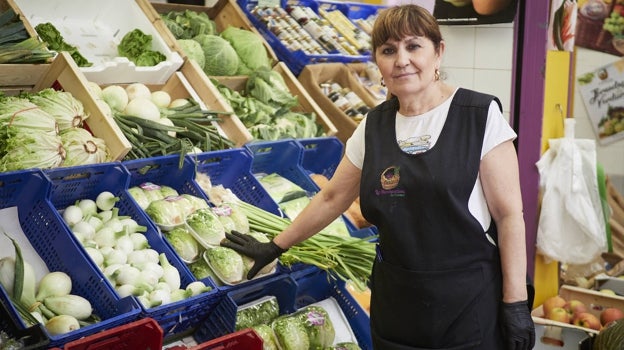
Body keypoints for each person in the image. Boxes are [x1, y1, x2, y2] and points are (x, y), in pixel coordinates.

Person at [222, 4, 535, 349]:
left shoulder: (478, 116)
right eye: (388, 50)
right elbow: (332, 197)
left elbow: (509, 217)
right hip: (397, 306)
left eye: (414, 46)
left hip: (467, 305)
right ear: (378, 61)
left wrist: (515, 303)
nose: (401, 59)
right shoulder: (374, 126)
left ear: (438, 53)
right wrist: (276, 244)